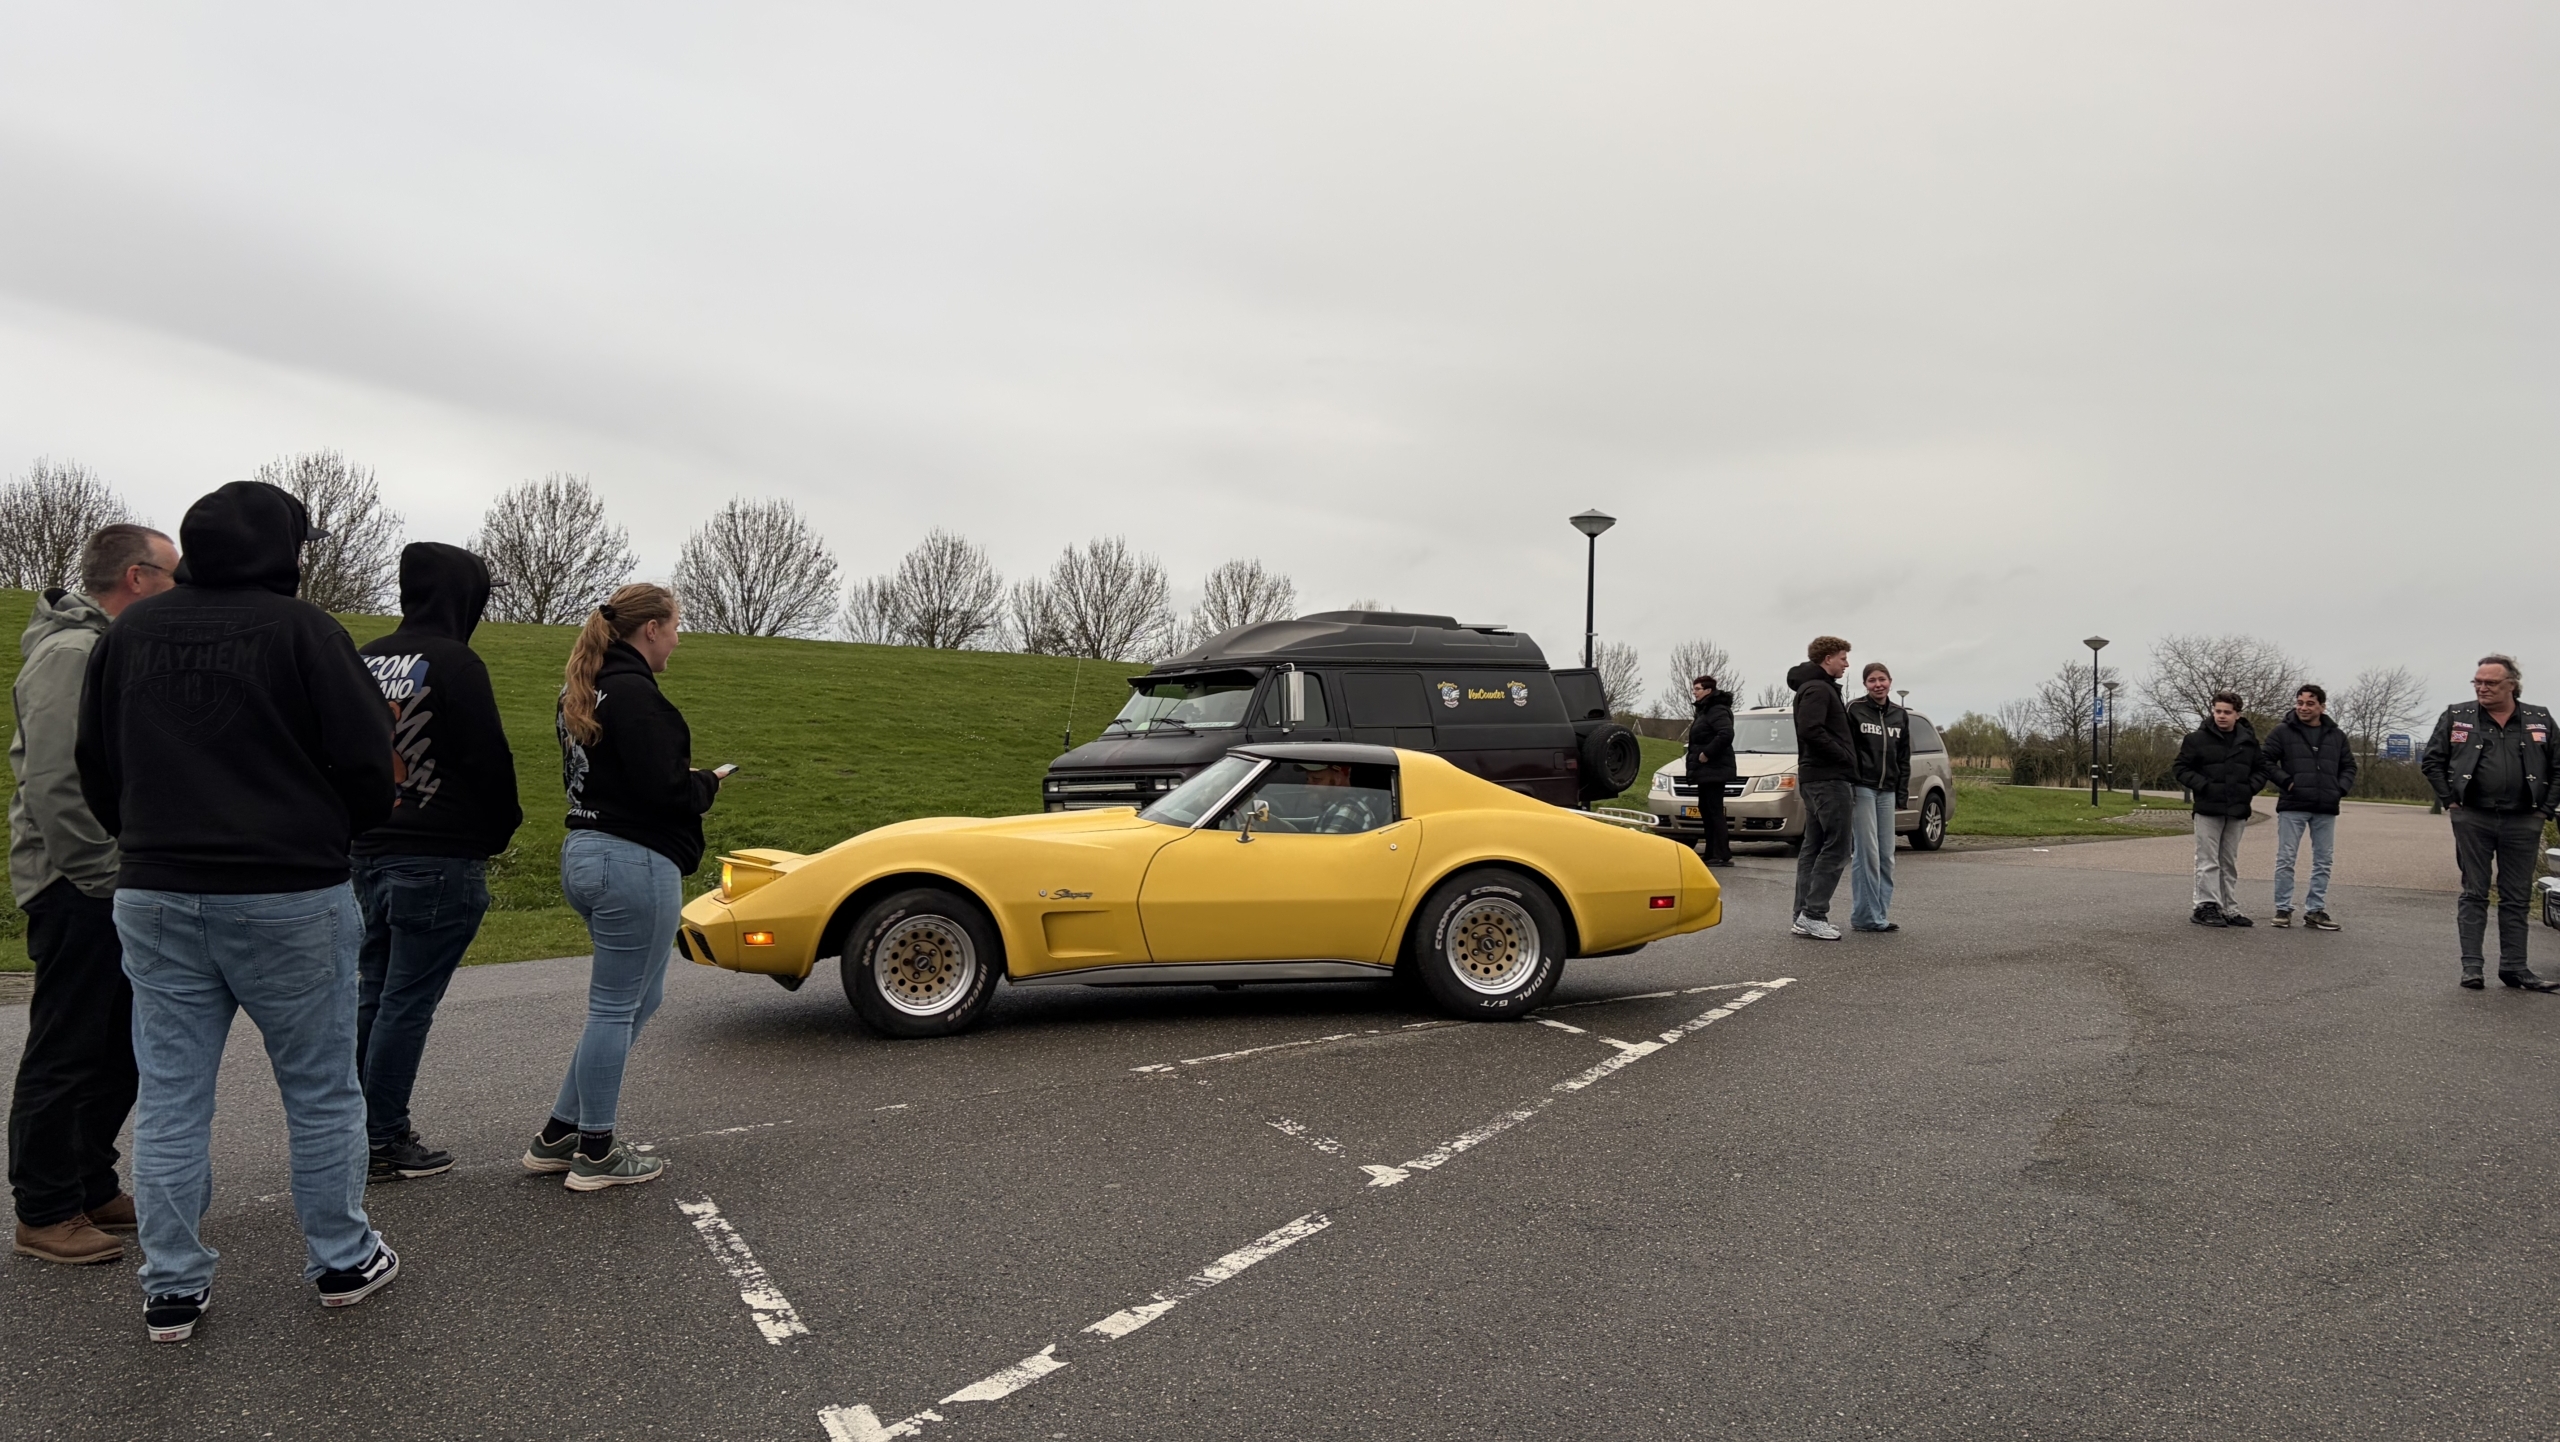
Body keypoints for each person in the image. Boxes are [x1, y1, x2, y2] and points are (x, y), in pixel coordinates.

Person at [75, 481, 401, 1343]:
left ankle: (173, 1284)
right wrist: (333, 830)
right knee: (322, 1090)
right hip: (288, 891)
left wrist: (144, 839)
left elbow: (94, 764)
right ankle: (340, 1258)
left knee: (175, 1096)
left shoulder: (130, 633)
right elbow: (372, 764)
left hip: (156, 889)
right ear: (283, 548)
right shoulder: (305, 632)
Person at [9, 524, 176, 1266]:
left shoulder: (108, 647)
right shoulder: (71, 653)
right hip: (76, 883)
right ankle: (44, 1210)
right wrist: (105, 877)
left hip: (111, 880)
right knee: (69, 1046)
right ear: (137, 578)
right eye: (174, 574)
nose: (183, 586)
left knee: (119, 1045)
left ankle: (88, 1180)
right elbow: (54, 781)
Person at [522, 583, 723, 1191]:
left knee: (638, 998)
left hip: (584, 851)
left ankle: (560, 1133)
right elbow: (664, 791)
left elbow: (618, 775)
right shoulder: (639, 696)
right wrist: (706, 784)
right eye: (676, 627)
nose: (679, 639)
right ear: (651, 629)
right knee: (616, 1007)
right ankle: (597, 1150)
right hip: (632, 861)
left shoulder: (582, 690)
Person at [350, 543, 523, 1182]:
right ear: (463, 596)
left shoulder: (365, 657)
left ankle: (353, 1128)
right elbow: (488, 759)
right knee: (407, 1001)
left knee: (374, 991)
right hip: (438, 852)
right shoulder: (455, 662)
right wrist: (497, 831)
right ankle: (383, 1136)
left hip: (367, 847)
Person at [2420, 654, 2560, 990]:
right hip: (2473, 817)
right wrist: (2450, 800)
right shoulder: (2458, 715)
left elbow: (2558, 767)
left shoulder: (2540, 718)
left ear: (2512, 684)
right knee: (2474, 892)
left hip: (2525, 819)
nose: (2482, 688)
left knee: (2516, 895)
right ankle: (2472, 968)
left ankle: (2515, 968)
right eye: (2478, 682)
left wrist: (2545, 809)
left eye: (2491, 683)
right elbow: (2432, 761)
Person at [2262, 683, 2356, 932]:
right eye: (2300, 702)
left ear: (2322, 707)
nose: (2303, 707)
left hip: (2325, 806)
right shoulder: (2282, 731)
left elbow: (2349, 766)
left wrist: (2339, 789)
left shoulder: (2336, 735)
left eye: (2310, 703)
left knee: (2323, 861)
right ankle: (2283, 908)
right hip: (2293, 804)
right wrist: (2287, 782)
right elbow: (2265, 760)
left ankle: (2315, 910)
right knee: (2286, 858)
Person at [2173, 692, 2268, 927]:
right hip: (2208, 808)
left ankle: (2229, 908)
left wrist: (2248, 789)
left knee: (2228, 861)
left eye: (2227, 712)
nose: (2222, 716)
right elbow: (2181, 768)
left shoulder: (2249, 742)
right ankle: (2206, 906)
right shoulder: (2196, 739)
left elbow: (2261, 770)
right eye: (2218, 711)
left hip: (2237, 809)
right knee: (2207, 860)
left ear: (2237, 714)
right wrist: (2204, 786)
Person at [1786, 637, 1857, 941]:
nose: (1846, 663)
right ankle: (1813, 914)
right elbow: (1810, 729)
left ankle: (1803, 915)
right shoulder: (1818, 689)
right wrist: (1843, 755)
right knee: (1839, 846)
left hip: (1817, 778)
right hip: (1827, 779)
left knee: (1813, 846)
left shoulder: (1817, 687)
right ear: (1827, 659)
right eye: (1843, 658)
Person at [1845, 662, 1911, 933]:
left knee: (1886, 854)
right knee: (1866, 853)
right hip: (1863, 788)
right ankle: (1864, 915)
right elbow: (1848, 750)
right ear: (1865, 684)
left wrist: (1902, 792)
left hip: (1888, 789)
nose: (1877, 685)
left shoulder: (1900, 714)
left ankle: (1880, 913)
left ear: (1890, 682)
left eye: (1882, 679)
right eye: (1872, 680)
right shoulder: (1854, 710)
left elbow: (1903, 756)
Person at [1685, 675, 1735, 866]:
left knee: (1714, 810)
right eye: (1694, 689)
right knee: (1706, 809)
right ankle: (1711, 852)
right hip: (1706, 770)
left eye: (1698, 689)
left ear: (1708, 690)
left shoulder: (1717, 709)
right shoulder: (1705, 711)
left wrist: (1708, 752)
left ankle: (1721, 854)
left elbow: (1726, 733)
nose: (1695, 692)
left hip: (1715, 768)